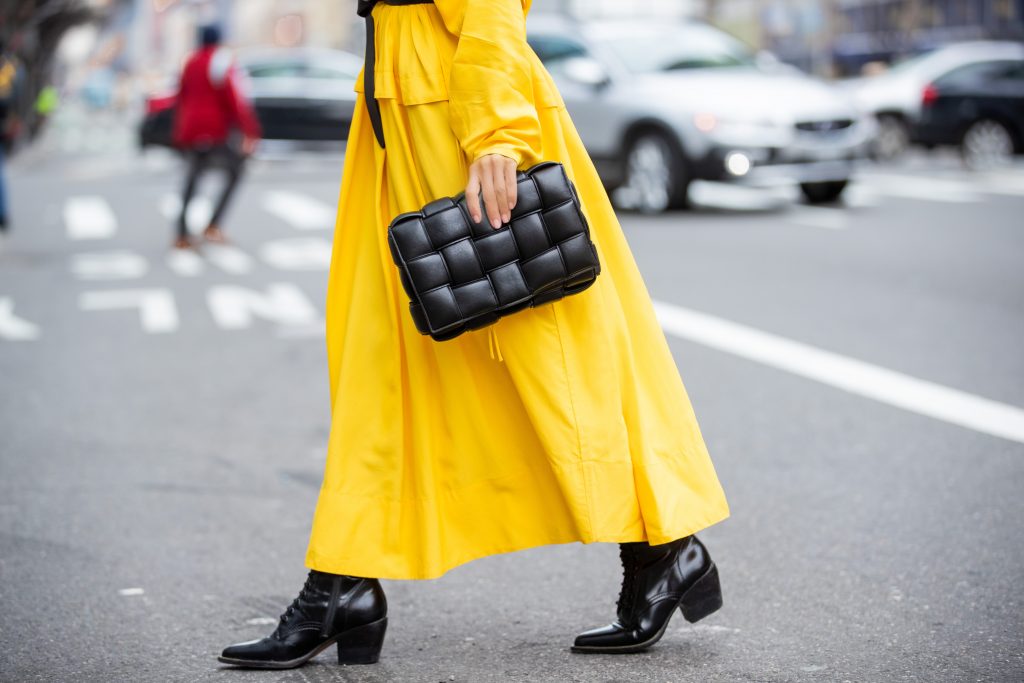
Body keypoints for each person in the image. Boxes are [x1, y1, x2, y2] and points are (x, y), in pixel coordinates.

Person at [218, 0, 729, 669]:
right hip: (402, 115)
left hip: (455, 116)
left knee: (550, 350)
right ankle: (344, 578)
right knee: (382, 354)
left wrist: (495, 133)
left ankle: (663, 546)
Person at [171, 25, 260, 249]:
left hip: (191, 130)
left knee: (192, 179)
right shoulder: (221, 61)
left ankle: (181, 234)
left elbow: (181, 97)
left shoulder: (189, 62)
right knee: (235, 171)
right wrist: (250, 132)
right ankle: (213, 225)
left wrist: (180, 129)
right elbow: (234, 99)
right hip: (214, 130)